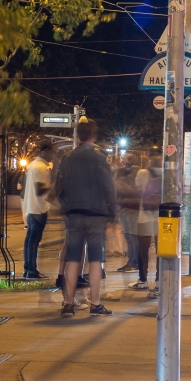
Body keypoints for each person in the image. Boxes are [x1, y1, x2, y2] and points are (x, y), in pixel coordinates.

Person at [53, 119, 116, 318]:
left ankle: (68, 304)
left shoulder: (67, 158)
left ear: (77, 136)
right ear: (93, 136)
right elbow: (108, 187)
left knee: (73, 258)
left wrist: (65, 206)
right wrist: (112, 211)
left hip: (74, 214)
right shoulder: (100, 159)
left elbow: (59, 187)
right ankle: (95, 304)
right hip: (96, 214)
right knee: (96, 260)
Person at [22, 141, 55, 279]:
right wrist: (53, 186)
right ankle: (32, 270)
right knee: (34, 240)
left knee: (30, 239)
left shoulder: (33, 164)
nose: (53, 155)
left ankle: (28, 268)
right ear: (44, 152)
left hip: (31, 207)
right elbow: (39, 189)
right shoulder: (41, 167)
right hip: (39, 209)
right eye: (51, 152)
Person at [130, 156, 162, 294]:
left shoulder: (143, 173)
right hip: (162, 217)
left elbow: (138, 189)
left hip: (145, 216)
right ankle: (159, 280)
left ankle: (143, 280)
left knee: (143, 251)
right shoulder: (168, 172)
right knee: (161, 251)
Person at [115, 154, 140, 273]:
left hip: (133, 209)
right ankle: (132, 261)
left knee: (133, 237)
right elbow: (117, 188)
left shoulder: (137, 172)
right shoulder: (120, 172)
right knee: (129, 237)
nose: (129, 161)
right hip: (123, 209)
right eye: (127, 158)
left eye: (131, 158)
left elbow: (137, 190)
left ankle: (134, 262)